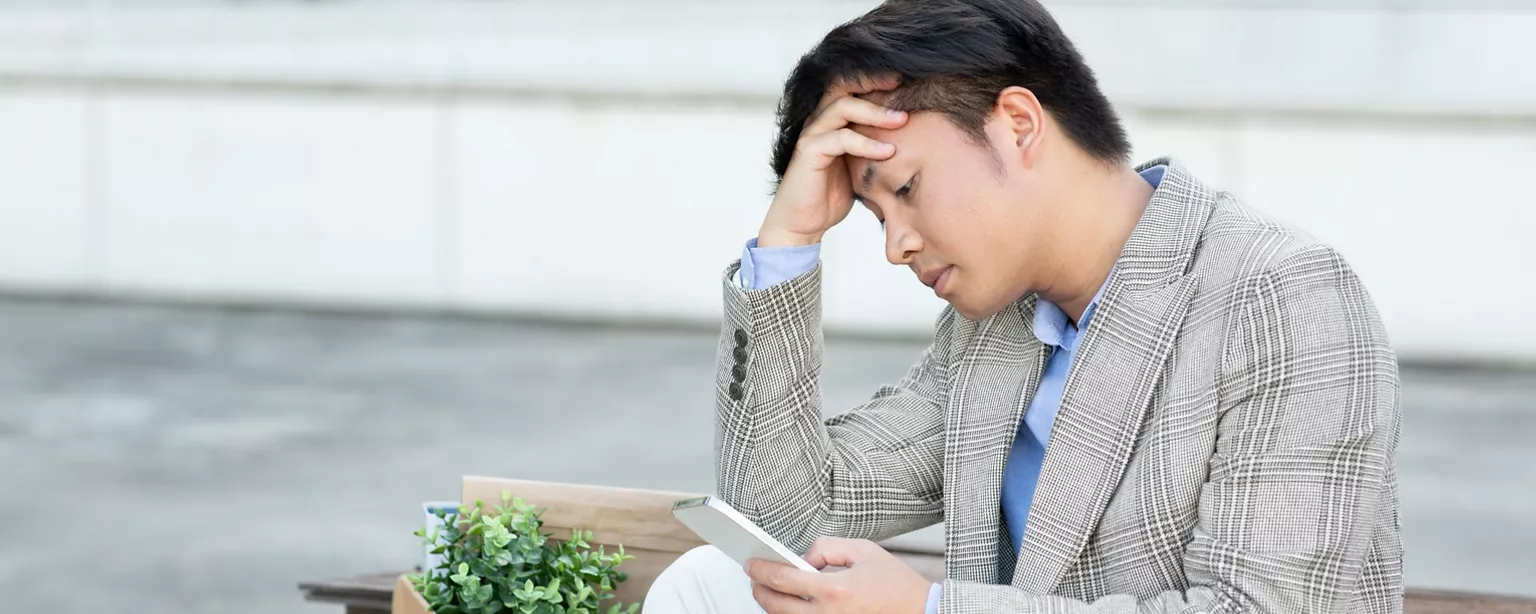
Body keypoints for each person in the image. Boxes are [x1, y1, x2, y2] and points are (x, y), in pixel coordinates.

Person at [645, 0, 1403, 612]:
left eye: (906, 190)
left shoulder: (1285, 295)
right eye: (874, 218)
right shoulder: (997, 327)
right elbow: (785, 516)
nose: (895, 246)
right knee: (706, 584)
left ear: (1017, 123)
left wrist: (931, 609)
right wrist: (790, 241)